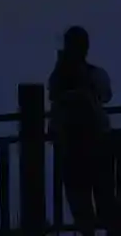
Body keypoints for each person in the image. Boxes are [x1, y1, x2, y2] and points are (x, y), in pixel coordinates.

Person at [50, 26, 119, 236]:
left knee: (82, 210)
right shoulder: (93, 74)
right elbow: (106, 95)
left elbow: (54, 99)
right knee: (106, 204)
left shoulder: (58, 77)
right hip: (98, 145)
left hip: (72, 149)